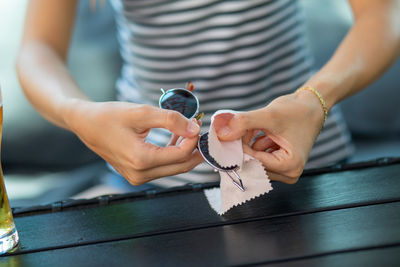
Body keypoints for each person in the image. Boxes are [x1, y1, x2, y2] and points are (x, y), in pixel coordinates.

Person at [17, 0, 400, 188]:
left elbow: (383, 14)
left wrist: (314, 99)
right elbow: (38, 49)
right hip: (153, 183)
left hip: (300, 165)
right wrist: (78, 113)